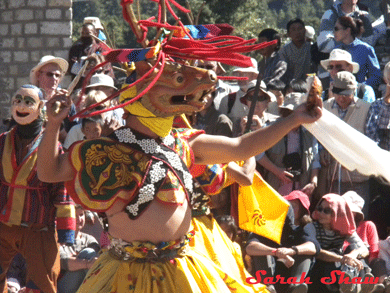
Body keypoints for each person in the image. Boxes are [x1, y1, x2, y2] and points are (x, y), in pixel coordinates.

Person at [37, 57, 322, 292]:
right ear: (139, 94)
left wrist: (294, 119)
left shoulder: (185, 143)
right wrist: (53, 125)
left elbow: (240, 147)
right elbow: (48, 172)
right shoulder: (106, 148)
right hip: (123, 272)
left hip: (181, 267)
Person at [0, 85, 75, 293]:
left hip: (37, 228)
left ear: (40, 107)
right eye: (18, 100)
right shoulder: (2, 142)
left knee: (42, 284)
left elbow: (62, 189)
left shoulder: (51, 146)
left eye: (28, 101)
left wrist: (66, 230)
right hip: (3, 224)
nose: (22, 106)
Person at [246, 190, 320, 293]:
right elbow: (250, 247)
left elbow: (312, 247)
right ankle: (268, 288)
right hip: (271, 271)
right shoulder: (267, 225)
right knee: (261, 252)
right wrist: (276, 252)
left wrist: (291, 251)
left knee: (306, 255)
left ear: (302, 211)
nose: (287, 209)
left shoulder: (305, 227)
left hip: (291, 270)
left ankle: (296, 287)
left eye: (293, 206)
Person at [320, 71, 371, 209]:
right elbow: (319, 137)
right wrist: (322, 150)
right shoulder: (325, 108)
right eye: (338, 93)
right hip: (332, 175)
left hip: (358, 177)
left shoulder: (366, 109)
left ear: (354, 90)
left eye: (346, 94)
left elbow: (371, 143)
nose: (341, 98)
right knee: (332, 216)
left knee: (357, 215)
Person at [308, 194, 370, 293]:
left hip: (338, 264)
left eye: (327, 211)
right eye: (320, 209)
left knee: (354, 248)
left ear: (337, 212)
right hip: (318, 267)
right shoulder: (312, 227)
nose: (321, 213)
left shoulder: (343, 227)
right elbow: (316, 252)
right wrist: (343, 259)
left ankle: (362, 285)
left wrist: (352, 254)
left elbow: (364, 249)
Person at [342, 191, 389, 293]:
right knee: (352, 249)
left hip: (365, 263)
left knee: (377, 261)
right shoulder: (337, 228)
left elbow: (374, 252)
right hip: (344, 262)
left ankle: (385, 283)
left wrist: (361, 254)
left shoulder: (368, 225)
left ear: (355, 214)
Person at [57, 205, 100, 293]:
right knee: (87, 253)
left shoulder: (89, 239)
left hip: (85, 284)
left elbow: (97, 259)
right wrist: (87, 264)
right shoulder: (60, 238)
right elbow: (63, 262)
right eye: (75, 216)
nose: (79, 219)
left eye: (81, 215)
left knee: (91, 253)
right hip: (65, 286)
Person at [334, 15, 382, 89]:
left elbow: (376, 76)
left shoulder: (366, 49)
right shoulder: (336, 51)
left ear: (347, 30)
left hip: (360, 96)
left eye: (336, 29)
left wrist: (359, 87)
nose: (334, 32)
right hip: (338, 95)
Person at [218, 58, 259, 123]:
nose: (240, 77)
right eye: (238, 74)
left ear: (255, 76)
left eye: (245, 74)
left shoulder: (268, 98)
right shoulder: (227, 100)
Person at [278, 18, 313, 83]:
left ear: (305, 31)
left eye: (300, 29)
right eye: (293, 30)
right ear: (288, 34)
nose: (297, 32)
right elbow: (282, 71)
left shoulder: (311, 48)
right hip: (291, 86)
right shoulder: (284, 50)